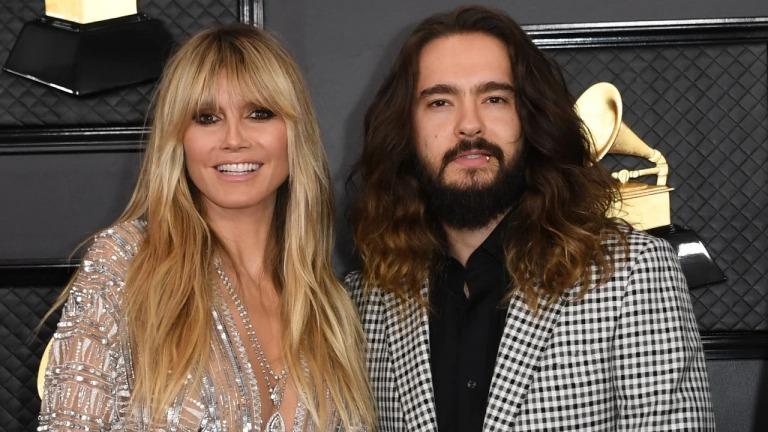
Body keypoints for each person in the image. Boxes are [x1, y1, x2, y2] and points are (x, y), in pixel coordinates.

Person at [346, 5, 714, 431]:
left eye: (494, 99)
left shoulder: (632, 273)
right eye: (440, 102)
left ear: (530, 118)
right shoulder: (364, 299)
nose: (470, 125)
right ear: (406, 128)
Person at [38, 24, 374, 431]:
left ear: (294, 131)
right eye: (207, 118)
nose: (234, 139)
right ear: (178, 138)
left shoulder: (330, 307)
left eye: (259, 113)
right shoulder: (124, 264)